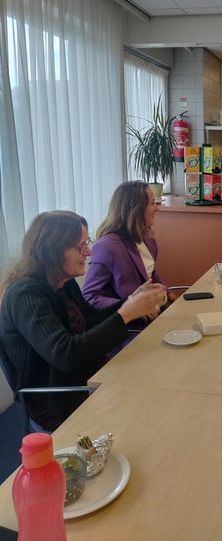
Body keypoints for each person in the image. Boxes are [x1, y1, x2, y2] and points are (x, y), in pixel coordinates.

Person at [0, 210, 167, 432]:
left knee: (158, 386)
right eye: (80, 247)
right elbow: (65, 354)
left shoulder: (62, 282)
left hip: (83, 381)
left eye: (86, 243)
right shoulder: (26, 295)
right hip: (56, 402)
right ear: (52, 251)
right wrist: (126, 313)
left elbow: (91, 319)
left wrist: (131, 302)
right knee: (151, 408)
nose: (88, 252)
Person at [82, 180, 171, 312]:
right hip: (128, 325)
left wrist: (168, 294)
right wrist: (130, 307)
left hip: (151, 315)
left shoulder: (147, 237)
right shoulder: (107, 246)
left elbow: (149, 273)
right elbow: (89, 297)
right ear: (136, 209)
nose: (157, 207)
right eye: (152, 203)